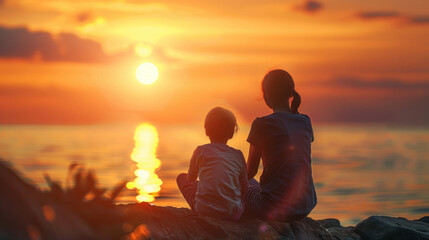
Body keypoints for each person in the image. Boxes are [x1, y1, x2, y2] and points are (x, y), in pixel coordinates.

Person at [245, 69, 317, 222]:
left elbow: (249, 171)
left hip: (272, 207)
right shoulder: (305, 121)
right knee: (253, 184)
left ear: (267, 96)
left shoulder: (262, 124)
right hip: (305, 206)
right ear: (291, 94)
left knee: (238, 185)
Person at [176, 107, 248, 221]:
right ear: (231, 133)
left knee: (181, 178)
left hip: (204, 211)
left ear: (207, 131)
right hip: (233, 215)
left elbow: (190, 178)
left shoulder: (200, 151)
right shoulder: (238, 155)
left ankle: (201, 207)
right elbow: (244, 186)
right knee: (246, 189)